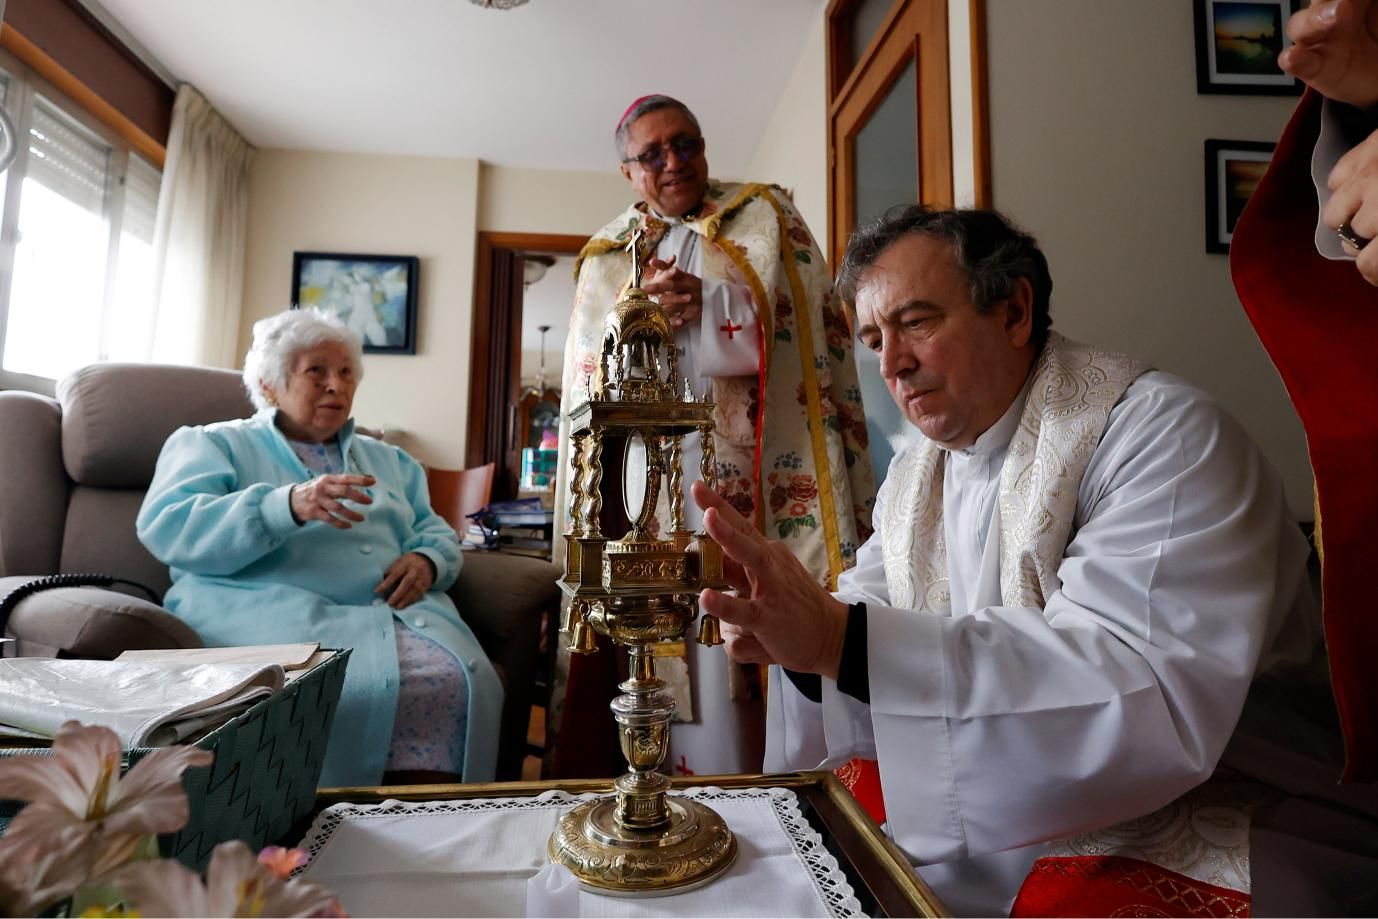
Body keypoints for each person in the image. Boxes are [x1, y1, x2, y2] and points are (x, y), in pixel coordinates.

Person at [693, 205, 1328, 916]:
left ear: (1016, 311)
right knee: (816, 849)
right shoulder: (915, 472)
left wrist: (839, 640)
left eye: (918, 322)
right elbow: (859, 613)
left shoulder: (1162, 438)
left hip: (1231, 791)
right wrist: (795, 637)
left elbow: (1140, 687)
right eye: (873, 337)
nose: (891, 363)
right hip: (1007, 791)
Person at [552, 94, 875, 778]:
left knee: (754, 605)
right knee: (670, 617)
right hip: (650, 469)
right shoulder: (609, 253)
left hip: (754, 463)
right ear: (628, 171)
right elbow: (588, 381)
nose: (674, 162)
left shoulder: (765, 218)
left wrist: (712, 304)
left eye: (687, 145)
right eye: (653, 154)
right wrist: (634, 310)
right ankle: (673, 776)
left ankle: (781, 777)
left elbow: (811, 331)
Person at [136, 307, 503, 788]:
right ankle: (325, 821)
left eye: (346, 372)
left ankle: (434, 819)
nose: (337, 385)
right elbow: (169, 526)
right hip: (267, 615)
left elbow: (433, 532)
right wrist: (284, 505)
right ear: (270, 384)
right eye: (317, 371)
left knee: (463, 679)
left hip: (392, 615)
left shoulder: (392, 460)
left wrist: (428, 561)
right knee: (345, 687)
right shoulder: (212, 445)